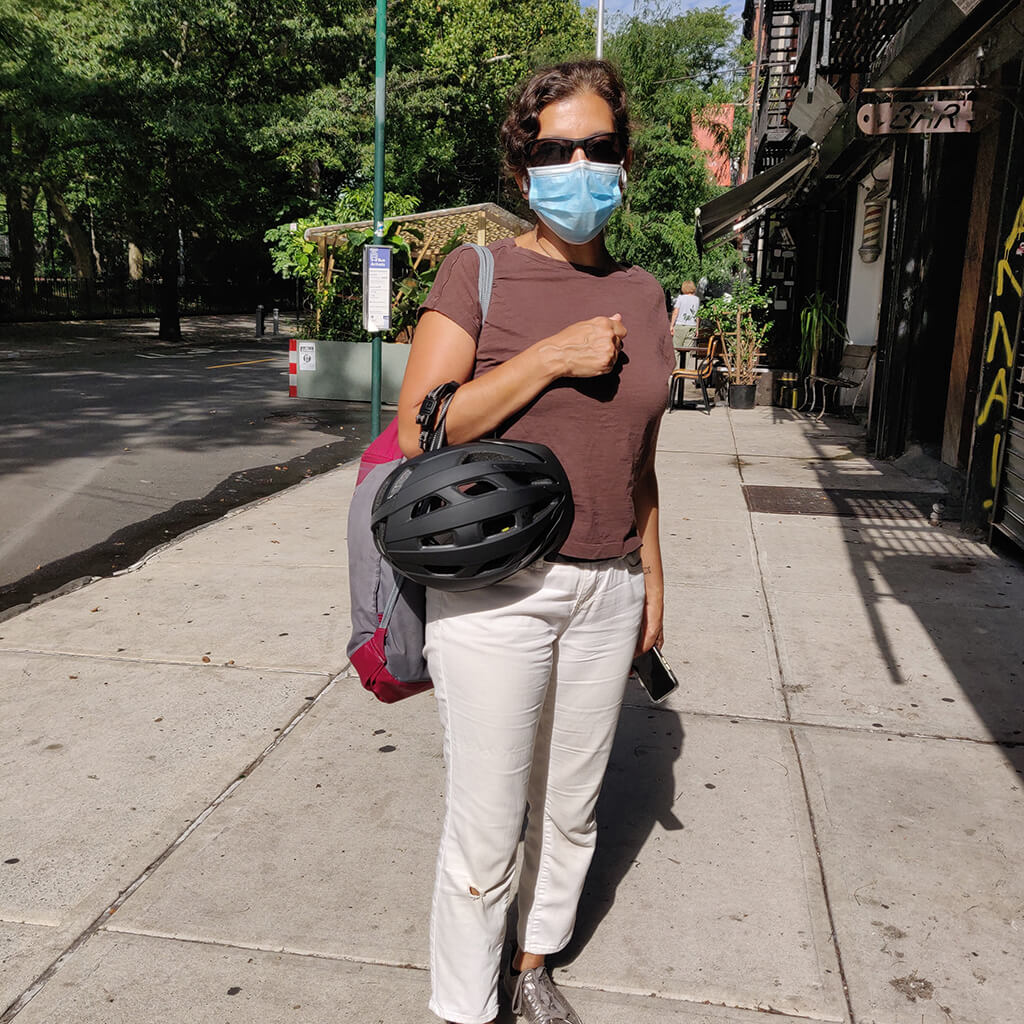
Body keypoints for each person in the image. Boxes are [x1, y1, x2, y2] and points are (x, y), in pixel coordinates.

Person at [397, 59, 673, 1024]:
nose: (580, 167)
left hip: (609, 586)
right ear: (523, 172)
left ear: (625, 160)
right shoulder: (480, 272)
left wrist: (652, 576)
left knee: (574, 803)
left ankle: (532, 963)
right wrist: (551, 357)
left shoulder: (646, 295)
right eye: (555, 150)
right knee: (485, 822)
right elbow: (418, 429)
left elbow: (639, 453)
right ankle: (466, 1007)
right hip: (497, 588)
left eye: (598, 148)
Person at [669, 280, 700, 350]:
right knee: (687, 350)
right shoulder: (696, 299)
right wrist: (697, 328)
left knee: (676, 348)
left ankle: (676, 361)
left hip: (680, 326)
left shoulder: (680, 298)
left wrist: (671, 326)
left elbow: (675, 312)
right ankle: (687, 361)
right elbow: (698, 315)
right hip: (692, 326)